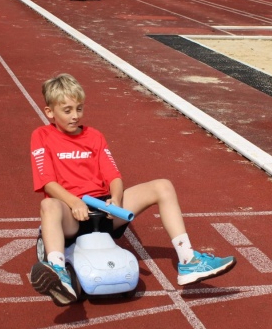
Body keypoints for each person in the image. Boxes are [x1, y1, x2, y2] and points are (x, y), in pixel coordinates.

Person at [29, 73, 236, 305]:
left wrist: (116, 199)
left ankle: (189, 261)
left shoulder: (94, 136)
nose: (75, 115)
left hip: (105, 209)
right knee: (48, 205)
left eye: (79, 108)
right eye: (67, 111)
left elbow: (114, 176)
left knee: (163, 186)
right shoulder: (41, 136)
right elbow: (47, 182)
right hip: (71, 213)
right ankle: (58, 272)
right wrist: (74, 202)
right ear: (50, 112)